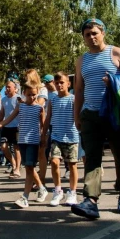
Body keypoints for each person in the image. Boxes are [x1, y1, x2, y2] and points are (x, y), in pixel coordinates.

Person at [70, 18, 120, 220]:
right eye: (87, 34)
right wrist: (77, 116)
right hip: (90, 115)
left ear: (103, 33)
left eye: (95, 33)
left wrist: (115, 80)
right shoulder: (81, 60)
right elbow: (79, 89)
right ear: (83, 38)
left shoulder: (116, 53)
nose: (91, 37)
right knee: (92, 157)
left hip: (115, 113)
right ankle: (91, 201)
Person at [0, 82, 48, 208]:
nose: (32, 97)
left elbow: (43, 125)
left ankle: (25, 197)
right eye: (29, 95)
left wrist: (43, 138)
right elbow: (9, 118)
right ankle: (41, 188)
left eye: (34, 95)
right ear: (24, 94)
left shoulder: (39, 108)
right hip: (22, 140)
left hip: (33, 141)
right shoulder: (20, 106)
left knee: (29, 168)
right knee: (29, 168)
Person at [44, 72, 79, 206]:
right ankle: (58, 190)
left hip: (71, 137)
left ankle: (72, 192)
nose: (59, 85)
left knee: (72, 165)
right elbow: (48, 118)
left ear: (68, 84)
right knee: (54, 162)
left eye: (62, 82)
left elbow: (77, 118)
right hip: (56, 136)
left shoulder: (73, 99)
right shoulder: (53, 99)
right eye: (57, 83)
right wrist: (43, 135)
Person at [25, 69, 49, 185]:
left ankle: (42, 179)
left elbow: (40, 102)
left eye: (28, 77)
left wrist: (28, 103)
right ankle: (35, 179)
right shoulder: (26, 88)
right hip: (28, 126)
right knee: (30, 157)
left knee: (41, 153)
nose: (26, 79)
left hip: (40, 124)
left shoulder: (42, 89)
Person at [0, 80, 22, 179]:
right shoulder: (3, 100)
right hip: (6, 127)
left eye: (9, 87)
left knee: (16, 148)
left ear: (15, 88)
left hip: (16, 127)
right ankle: (13, 164)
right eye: (6, 87)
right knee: (3, 147)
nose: (7, 89)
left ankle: (17, 169)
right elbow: (2, 113)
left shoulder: (18, 99)